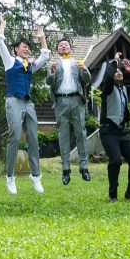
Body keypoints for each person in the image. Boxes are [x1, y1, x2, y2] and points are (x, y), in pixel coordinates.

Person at [0, 15, 50, 195]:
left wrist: (41, 37)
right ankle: (10, 176)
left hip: (28, 103)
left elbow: (45, 55)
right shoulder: (10, 61)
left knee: (33, 137)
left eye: (28, 47)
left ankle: (36, 175)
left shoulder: (30, 65)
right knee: (15, 136)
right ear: (16, 49)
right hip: (13, 101)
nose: (27, 49)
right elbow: (0, 42)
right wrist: (2, 25)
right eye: (24, 47)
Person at [98, 53, 130, 202]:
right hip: (108, 131)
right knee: (115, 161)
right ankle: (113, 195)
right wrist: (115, 61)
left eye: (121, 71)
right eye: (116, 71)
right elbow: (108, 76)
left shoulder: (124, 89)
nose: (119, 72)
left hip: (122, 131)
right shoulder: (107, 88)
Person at [47, 37, 91, 184]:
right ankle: (66, 169)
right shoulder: (54, 64)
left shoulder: (77, 63)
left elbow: (87, 79)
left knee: (81, 133)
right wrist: (51, 72)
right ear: (57, 50)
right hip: (61, 101)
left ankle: (84, 168)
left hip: (77, 100)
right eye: (61, 45)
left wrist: (84, 69)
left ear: (70, 48)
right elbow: (48, 81)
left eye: (66, 44)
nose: (64, 46)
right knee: (63, 135)